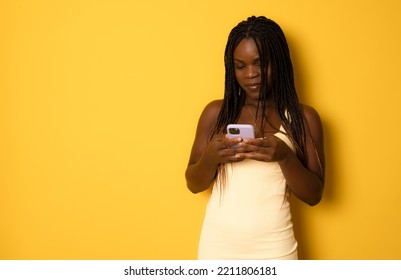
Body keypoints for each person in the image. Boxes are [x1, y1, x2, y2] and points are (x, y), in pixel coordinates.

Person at [185, 16, 325, 260]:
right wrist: (211, 157)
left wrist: (284, 156)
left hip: (276, 248)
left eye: (260, 63)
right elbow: (193, 184)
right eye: (240, 66)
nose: (251, 74)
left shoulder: (303, 118)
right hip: (217, 248)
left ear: (279, 62)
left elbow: (314, 195)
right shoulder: (216, 113)